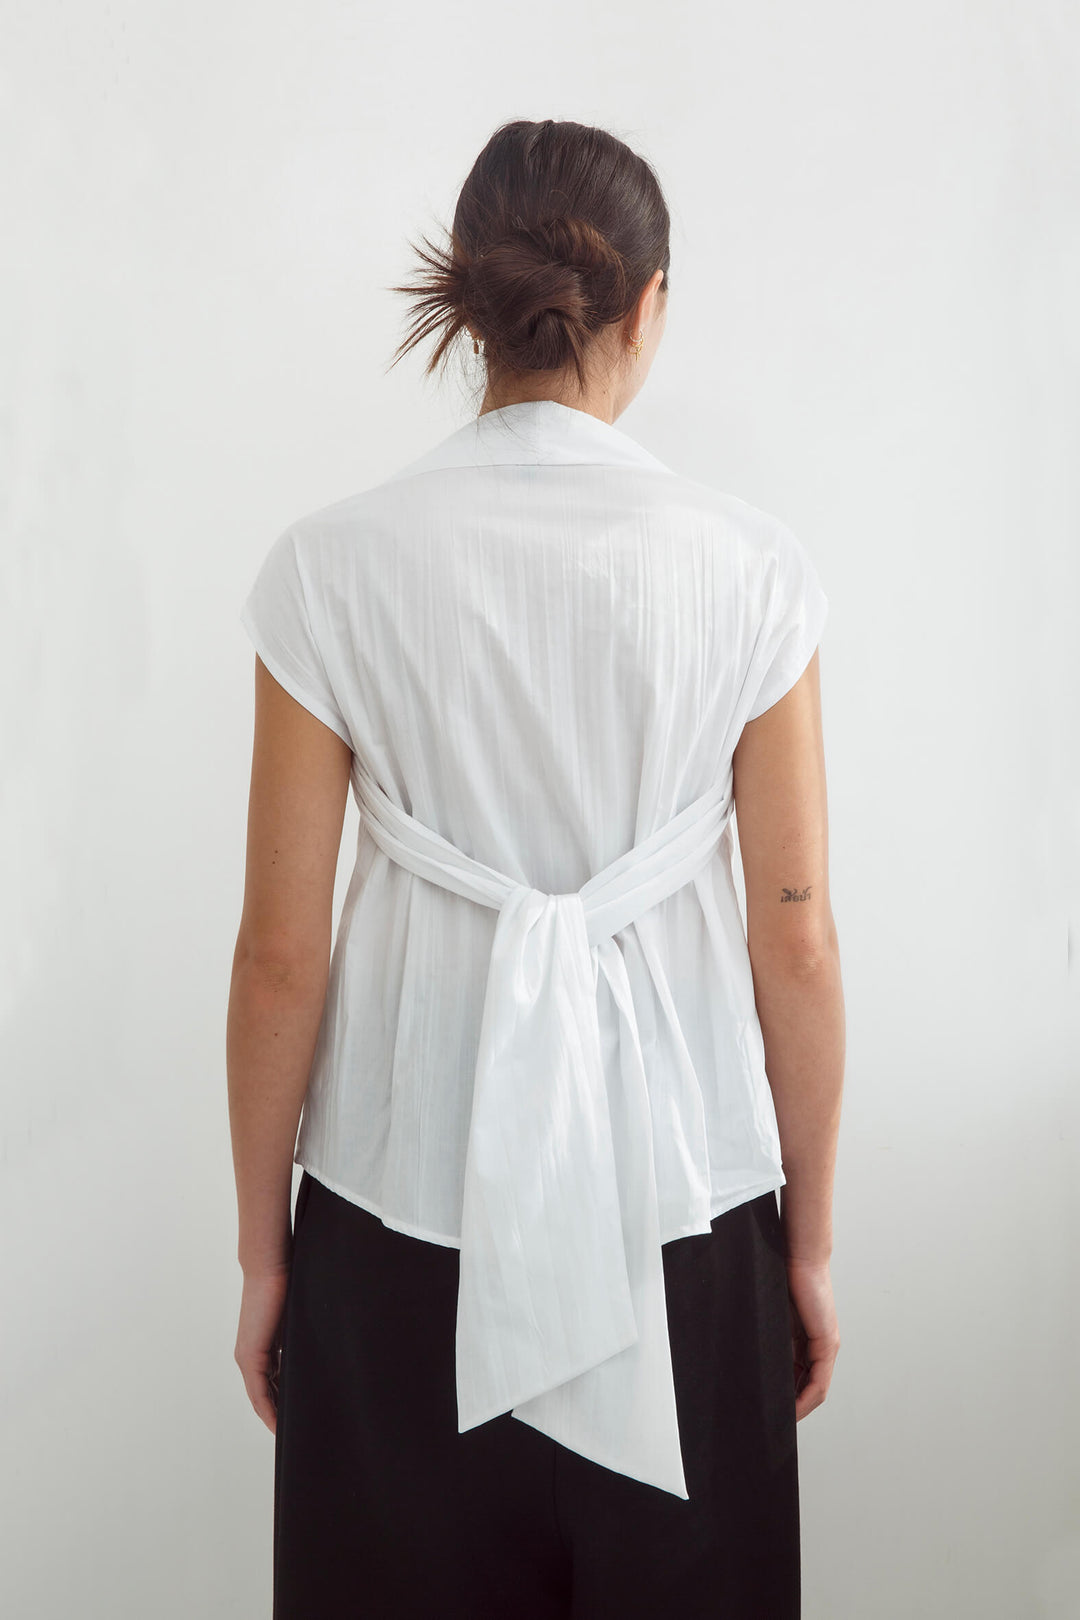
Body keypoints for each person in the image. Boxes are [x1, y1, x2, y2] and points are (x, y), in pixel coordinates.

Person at [227, 116, 845, 1619]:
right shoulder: (748, 568)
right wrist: (809, 1247)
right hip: (687, 1208)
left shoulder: (332, 565)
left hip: (396, 1217)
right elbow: (797, 936)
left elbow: (280, 954)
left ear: (474, 304)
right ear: (650, 308)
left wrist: (263, 1258)